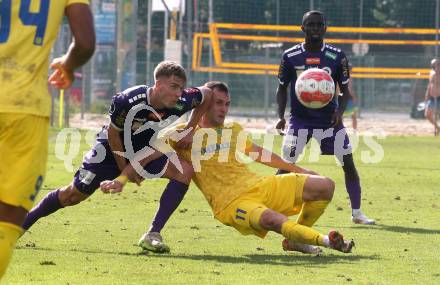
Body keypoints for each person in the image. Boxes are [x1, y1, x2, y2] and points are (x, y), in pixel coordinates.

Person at [101, 81, 355, 254]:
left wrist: (299, 170)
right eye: (218, 103)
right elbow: (145, 157)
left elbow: (259, 154)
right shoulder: (183, 134)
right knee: (270, 219)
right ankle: (326, 241)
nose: (223, 109)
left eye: (227, 104)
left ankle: (297, 240)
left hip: (259, 186)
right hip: (231, 204)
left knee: (325, 185)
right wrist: (121, 180)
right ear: (205, 104)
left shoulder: (232, 130)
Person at [21, 61, 213, 255]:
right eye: (173, 87)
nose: (178, 93)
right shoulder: (129, 100)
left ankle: (153, 234)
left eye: (180, 88)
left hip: (142, 152)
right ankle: (19, 226)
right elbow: (113, 135)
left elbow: (207, 93)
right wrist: (125, 171)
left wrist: (190, 129)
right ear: (158, 85)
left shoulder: (181, 101)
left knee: (184, 171)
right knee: (71, 196)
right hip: (108, 152)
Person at [0, 1, 95, 278]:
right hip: (24, 107)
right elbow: (85, 43)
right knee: (7, 220)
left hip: (25, 108)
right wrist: (67, 65)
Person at [275, 10, 375, 225]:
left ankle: (357, 213)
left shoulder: (337, 56)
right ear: (302, 28)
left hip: (329, 120)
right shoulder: (290, 55)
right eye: (311, 25)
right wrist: (280, 116)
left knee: (348, 163)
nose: (315, 29)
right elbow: (282, 88)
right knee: (285, 164)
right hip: (299, 120)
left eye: (319, 25)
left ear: (325, 28)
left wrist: (339, 113)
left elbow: (345, 90)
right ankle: (269, 208)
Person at [425, 58, 440, 134]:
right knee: (427, 114)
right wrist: (427, 95)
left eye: (436, 65)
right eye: (433, 66)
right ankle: (438, 128)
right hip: (432, 97)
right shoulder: (431, 73)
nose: (434, 67)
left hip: (439, 97)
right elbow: (430, 84)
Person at [343, 64, 359, 130]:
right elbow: (349, 88)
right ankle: (355, 131)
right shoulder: (348, 77)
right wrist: (354, 97)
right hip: (348, 98)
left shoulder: (340, 76)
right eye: (351, 69)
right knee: (354, 116)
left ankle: (340, 131)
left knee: (341, 116)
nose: (352, 71)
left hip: (341, 97)